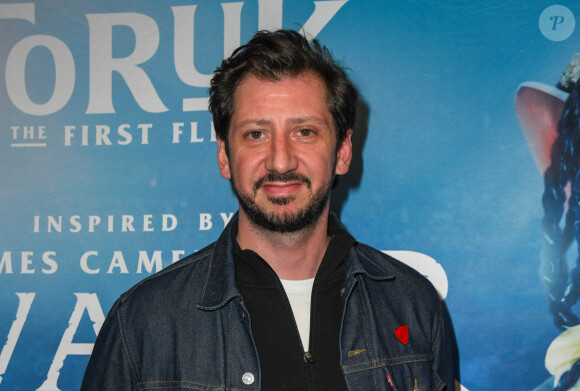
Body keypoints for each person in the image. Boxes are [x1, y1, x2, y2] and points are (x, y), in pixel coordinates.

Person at [81, 29, 454, 391]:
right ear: (224, 155)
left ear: (342, 151)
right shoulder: (144, 323)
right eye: (256, 134)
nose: (280, 161)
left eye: (304, 131)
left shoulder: (412, 304)